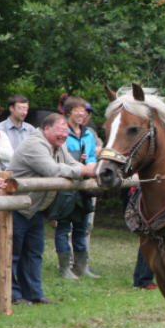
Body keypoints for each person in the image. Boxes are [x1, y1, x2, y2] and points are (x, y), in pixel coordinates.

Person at [8, 113, 97, 305]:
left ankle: (34, 294)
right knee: (13, 253)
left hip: (34, 209)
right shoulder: (35, 144)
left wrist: (84, 167)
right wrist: (84, 171)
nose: (64, 136)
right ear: (46, 129)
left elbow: (71, 163)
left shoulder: (59, 144)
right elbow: (52, 169)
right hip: (15, 208)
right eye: (60, 131)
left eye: (66, 133)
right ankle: (13, 295)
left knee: (34, 252)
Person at [55, 96, 99, 280]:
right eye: (77, 110)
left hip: (85, 186)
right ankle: (64, 267)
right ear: (68, 112)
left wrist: (89, 165)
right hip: (66, 185)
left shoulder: (88, 134)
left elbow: (91, 156)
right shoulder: (61, 132)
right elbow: (58, 156)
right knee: (64, 228)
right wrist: (78, 164)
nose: (82, 114)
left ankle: (82, 266)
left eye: (83, 111)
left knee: (82, 228)